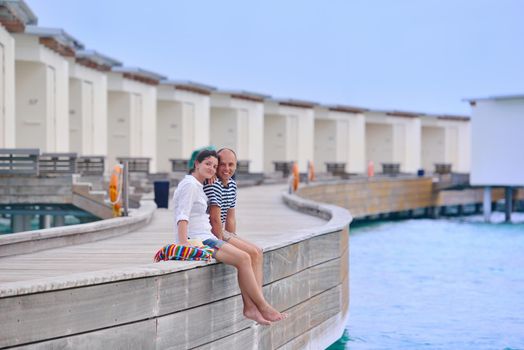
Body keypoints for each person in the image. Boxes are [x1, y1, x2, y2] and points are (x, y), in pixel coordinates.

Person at [173, 149, 285, 325]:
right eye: (209, 164)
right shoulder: (190, 185)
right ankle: (261, 306)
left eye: (214, 166)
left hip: (206, 235)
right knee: (244, 258)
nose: (214, 168)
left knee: (251, 254)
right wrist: (183, 243)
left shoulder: (199, 184)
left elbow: (226, 218)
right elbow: (183, 215)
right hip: (200, 239)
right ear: (196, 163)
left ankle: (253, 306)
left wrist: (232, 239)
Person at [203, 148, 266, 317]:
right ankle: (255, 306)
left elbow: (230, 218)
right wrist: (223, 246)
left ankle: (256, 303)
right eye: (222, 164)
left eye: (231, 165)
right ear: (216, 165)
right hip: (211, 233)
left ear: (236, 166)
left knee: (257, 252)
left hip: (223, 231)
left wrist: (234, 238)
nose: (226, 169)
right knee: (250, 253)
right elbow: (215, 221)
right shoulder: (212, 184)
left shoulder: (231, 184)